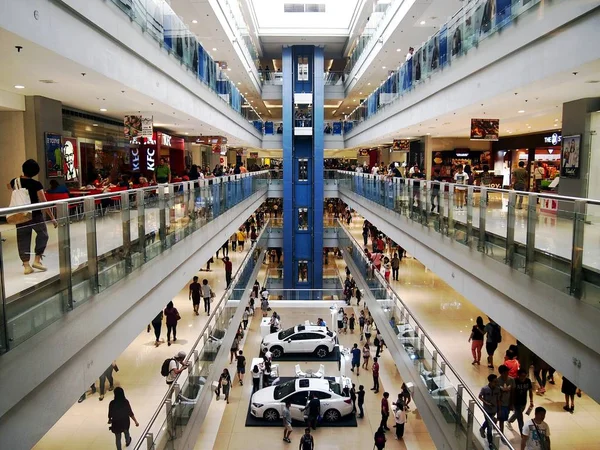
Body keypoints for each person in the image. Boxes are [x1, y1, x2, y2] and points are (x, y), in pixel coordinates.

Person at [9, 159, 57, 274]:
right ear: (35, 172)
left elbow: (11, 189)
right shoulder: (36, 184)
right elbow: (43, 202)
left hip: (21, 214)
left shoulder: (14, 182)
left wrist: (20, 178)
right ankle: (37, 260)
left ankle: (26, 266)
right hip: (35, 215)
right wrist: (52, 218)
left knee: (22, 238)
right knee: (43, 234)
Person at [508, 369, 534, 433]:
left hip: (523, 401)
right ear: (518, 376)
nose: (523, 378)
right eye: (522, 376)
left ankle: (509, 421)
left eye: (525, 376)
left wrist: (531, 401)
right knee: (520, 418)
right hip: (516, 402)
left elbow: (530, 391)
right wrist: (511, 403)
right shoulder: (515, 381)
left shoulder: (528, 381)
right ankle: (522, 433)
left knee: (518, 413)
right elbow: (512, 392)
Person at [479, 374, 500, 447]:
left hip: (494, 409)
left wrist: (498, 409)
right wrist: (486, 403)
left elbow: (498, 399)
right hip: (486, 410)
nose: (496, 383)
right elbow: (480, 396)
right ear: (490, 382)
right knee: (490, 425)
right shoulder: (484, 389)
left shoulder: (497, 389)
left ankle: (482, 428)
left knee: (489, 422)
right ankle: (490, 442)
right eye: (494, 382)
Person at [497, 364, 515, 434]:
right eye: (505, 373)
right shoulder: (498, 381)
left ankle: (494, 422)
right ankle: (501, 433)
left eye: (507, 372)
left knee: (505, 417)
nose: (507, 374)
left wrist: (511, 404)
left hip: (508, 403)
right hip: (500, 403)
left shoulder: (511, 380)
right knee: (501, 419)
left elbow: (513, 392)